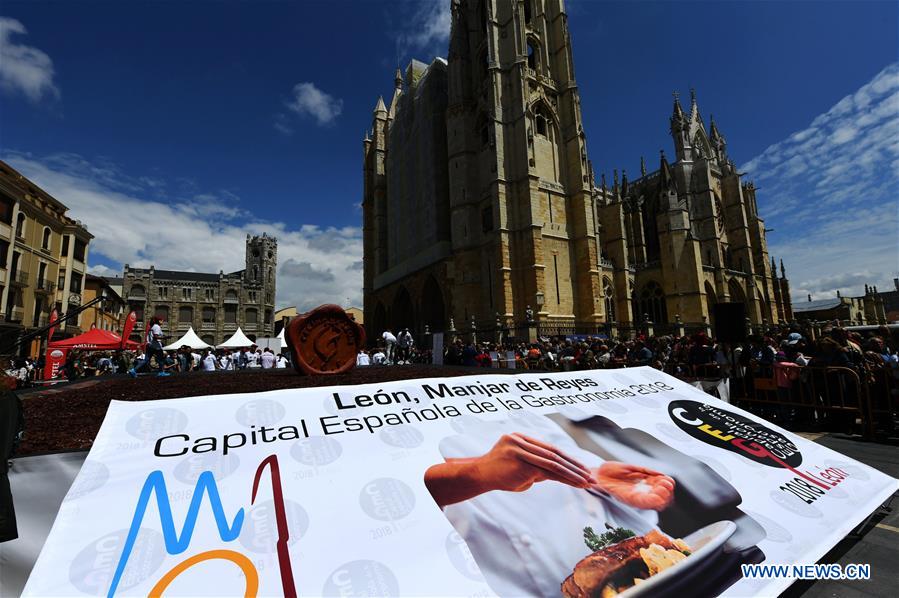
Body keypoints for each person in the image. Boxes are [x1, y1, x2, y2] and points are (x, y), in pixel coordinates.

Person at [424, 413, 675, 596]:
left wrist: (597, 477)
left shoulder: (527, 414)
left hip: (647, 578)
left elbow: (564, 456)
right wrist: (478, 473)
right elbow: (411, 496)